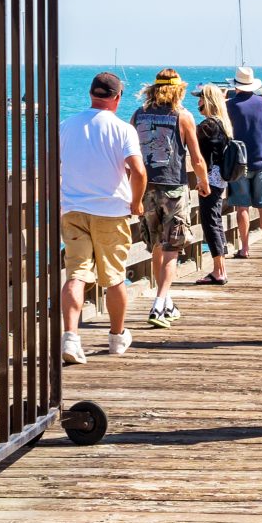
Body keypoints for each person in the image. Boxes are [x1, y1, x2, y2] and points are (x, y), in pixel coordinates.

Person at [59, 71, 147, 360]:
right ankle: (117, 337)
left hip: (73, 209)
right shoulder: (123, 130)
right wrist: (136, 202)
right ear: (117, 98)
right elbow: (139, 171)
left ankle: (71, 338)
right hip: (111, 211)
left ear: (91, 94)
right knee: (114, 277)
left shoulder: (66, 126)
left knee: (76, 275)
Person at [133, 70, 210, 328]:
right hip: (173, 189)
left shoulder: (138, 115)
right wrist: (203, 182)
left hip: (145, 188)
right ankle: (159, 303)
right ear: (178, 90)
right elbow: (197, 158)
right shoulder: (183, 117)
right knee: (171, 248)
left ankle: (164, 301)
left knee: (156, 244)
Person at [226, 67, 262, 259]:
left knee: (242, 207)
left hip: (239, 161)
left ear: (236, 85)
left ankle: (245, 248)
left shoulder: (230, 105)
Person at [193, 84, 241, 285]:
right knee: (215, 220)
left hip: (210, 180)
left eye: (201, 99)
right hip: (219, 179)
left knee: (210, 222)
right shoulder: (222, 124)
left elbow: (198, 152)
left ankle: (218, 270)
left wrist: (201, 180)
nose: (198, 102)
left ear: (208, 101)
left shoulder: (207, 126)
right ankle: (220, 268)